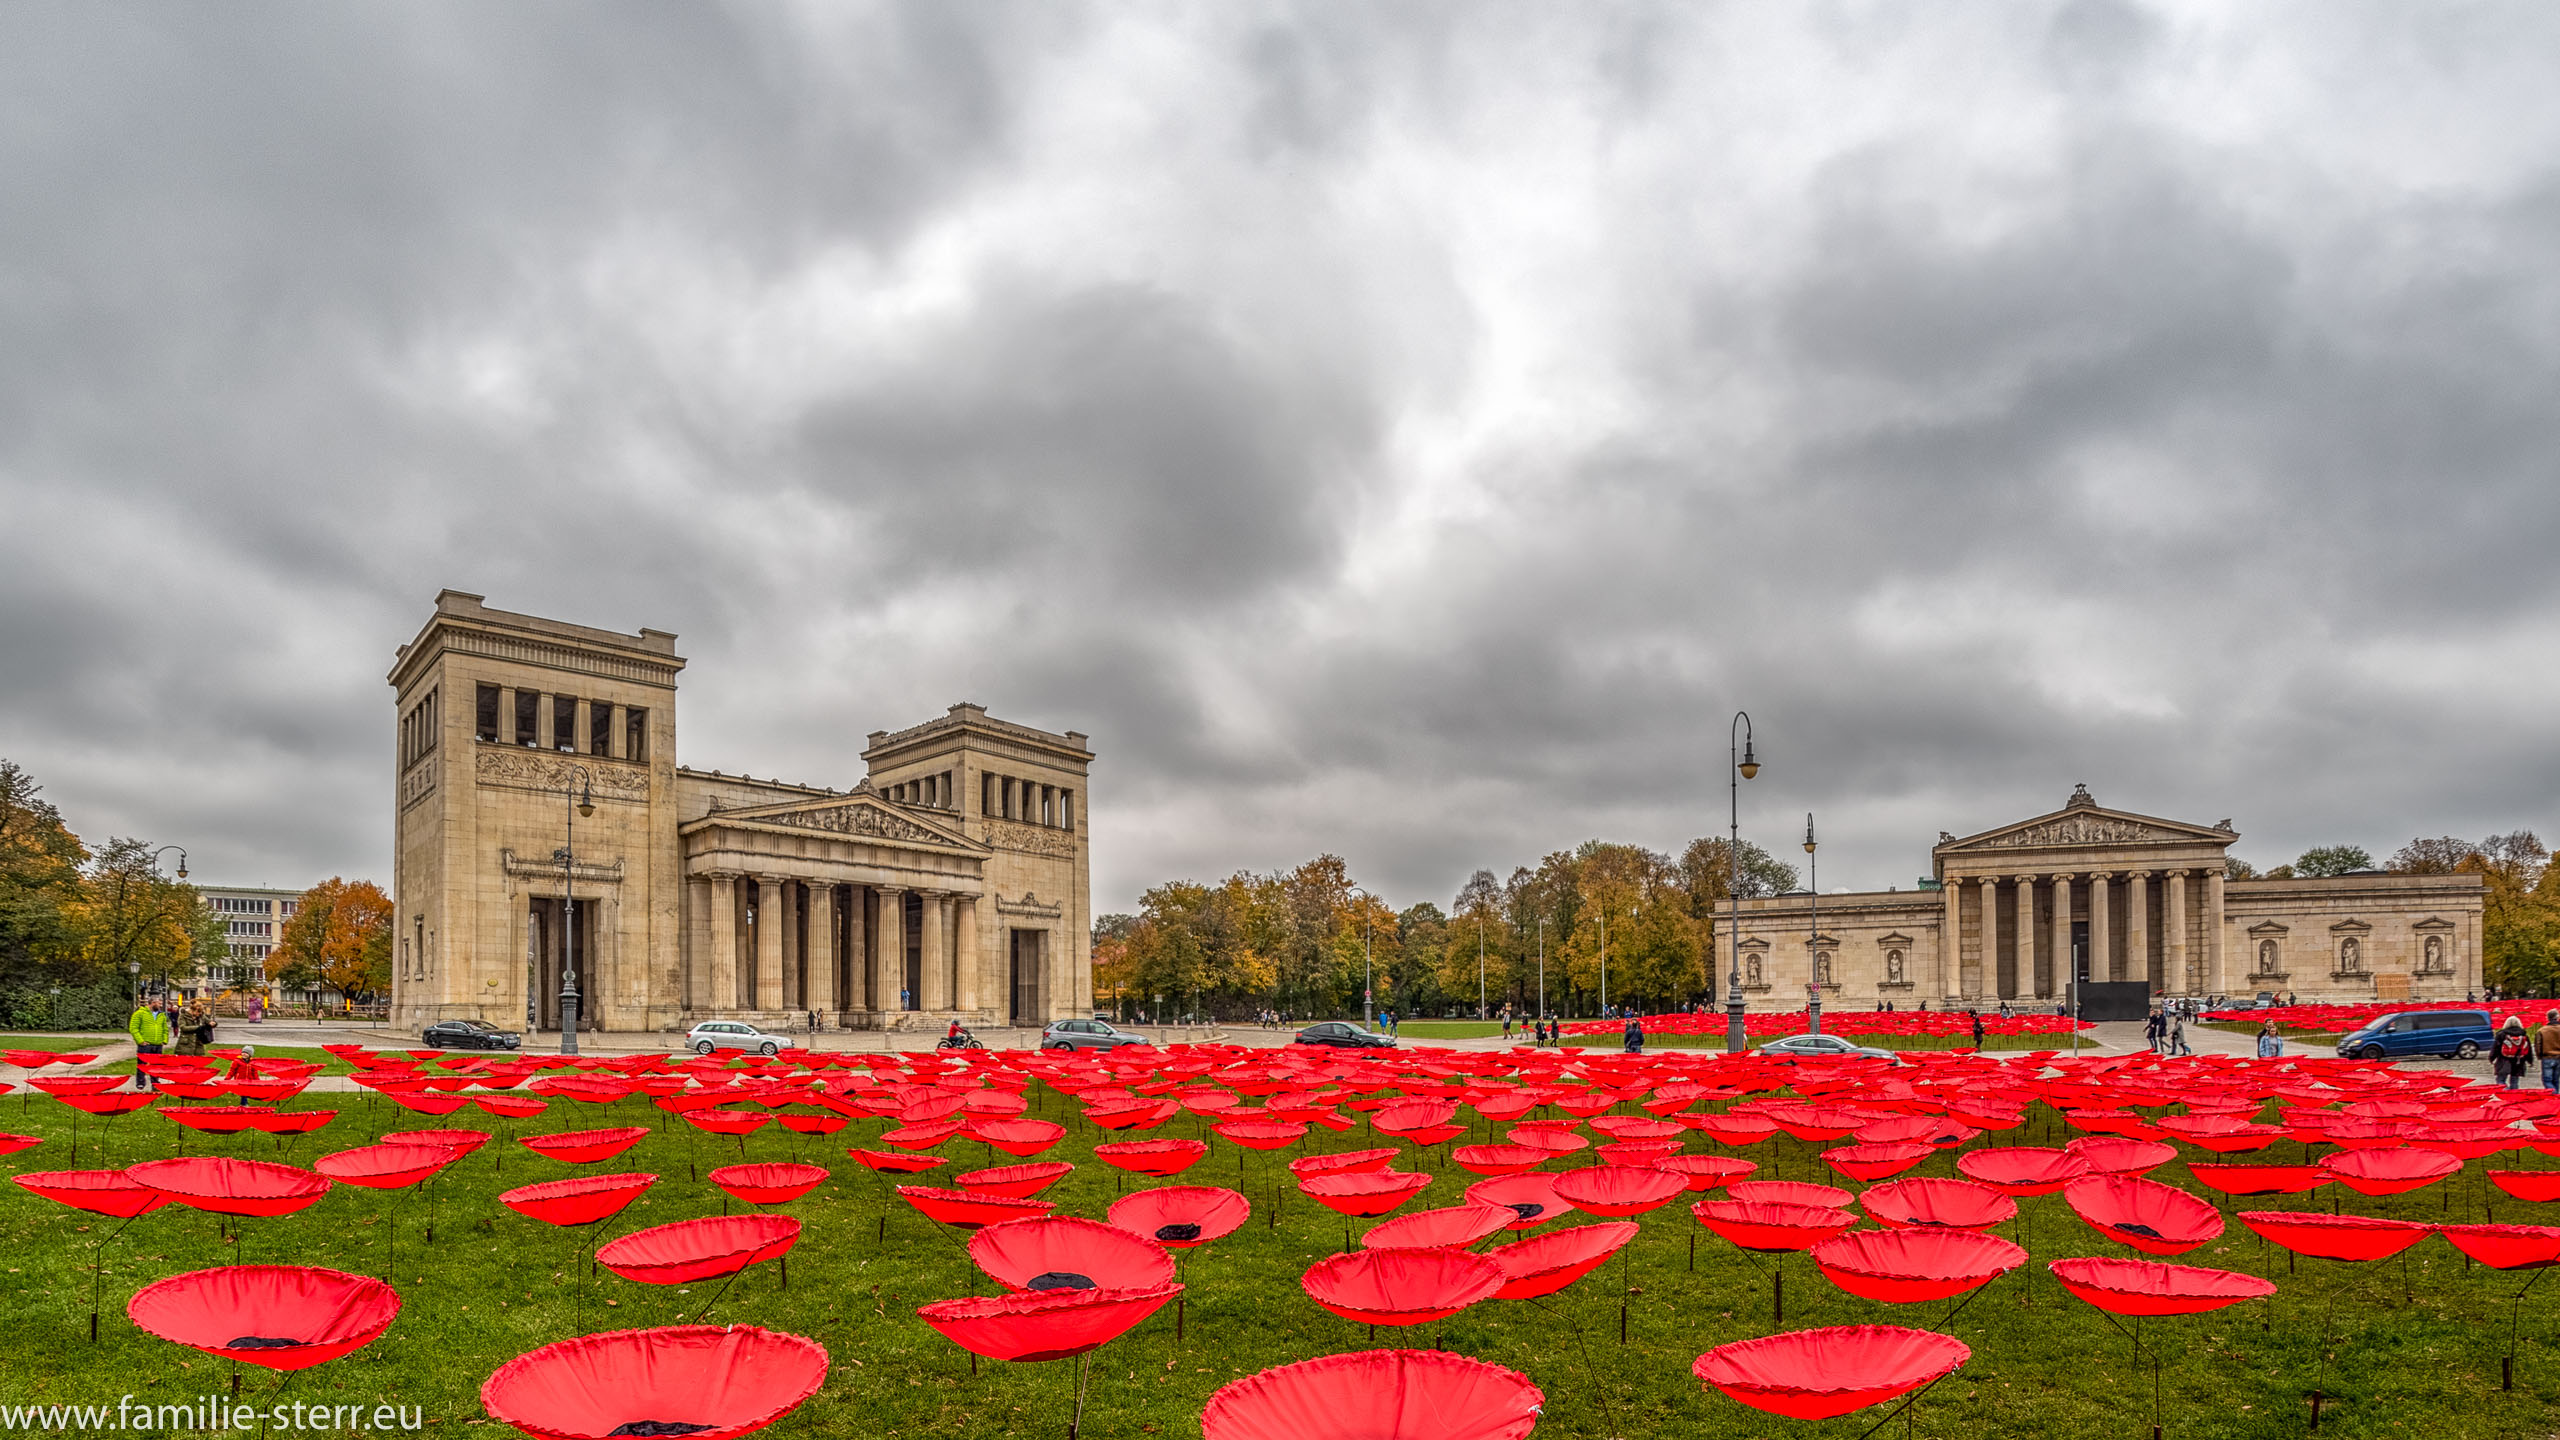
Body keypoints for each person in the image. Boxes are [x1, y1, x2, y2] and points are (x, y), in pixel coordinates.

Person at [127, 996, 169, 1088]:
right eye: (159, 1003)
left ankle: (155, 1082)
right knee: (142, 1064)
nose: (161, 1005)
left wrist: (164, 1040)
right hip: (145, 1044)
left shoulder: (161, 1015)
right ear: (153, 1003)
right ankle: (140, 1082)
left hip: (158, 1044)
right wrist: (140, 1041)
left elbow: (165, 1029)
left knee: (156, 1065)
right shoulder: (140, 1013)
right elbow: (133, 1028)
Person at [2494, 1017, 2534, 1090]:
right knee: (2514, 1081)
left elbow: (2496, 1048)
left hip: (2504, 1060)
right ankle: (2513, 1097)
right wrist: (2530, 1061)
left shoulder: (2501, 1034)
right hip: (2518, 1061)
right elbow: (2528, 1049)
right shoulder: (2523, 1035)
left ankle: (2505, 1093)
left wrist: (2492, 1058)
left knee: (2500, 1080)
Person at [2537, 1010, 2560, 1094]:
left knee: (2547, 1080)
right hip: (2559, 1057)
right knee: (2556, 1080)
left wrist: (2539, 1056)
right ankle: (2557, 1097)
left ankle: (2554, 1095)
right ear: (2557, 1018)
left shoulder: (2542, 1030)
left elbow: (2538, 1044)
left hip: (2547, 1057)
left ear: (2547, 1018)